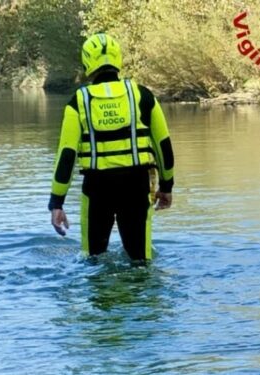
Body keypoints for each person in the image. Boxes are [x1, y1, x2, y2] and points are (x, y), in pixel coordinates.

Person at [48, 33, 175, 261]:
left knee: (92, 261)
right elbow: (163, 144)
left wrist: (56, 202)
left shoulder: (78, 102)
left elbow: (66, 155)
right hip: (136, 186)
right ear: (118, 59)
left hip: (97, 188)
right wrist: (167, 186)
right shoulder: (142, 96)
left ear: (87, 62)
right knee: (140, 261)